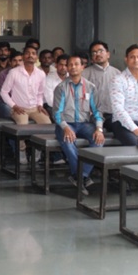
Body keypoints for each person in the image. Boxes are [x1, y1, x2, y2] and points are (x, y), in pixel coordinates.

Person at [53, 55, 105, 195]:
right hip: (65, 123)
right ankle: (83, 177)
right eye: (70, 64)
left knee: (99, 141)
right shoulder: (61, 88)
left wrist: (99, 129)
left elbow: (97, 111)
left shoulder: (90, 87)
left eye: (76, 64)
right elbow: (57, 113)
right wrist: (65, 128)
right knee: (68, 141)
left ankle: (79, 176)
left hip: (84, 124)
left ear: (83, 67)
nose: (73, 67)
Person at [0, 46, 51, 161]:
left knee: (47, 123)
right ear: (23, 56)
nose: (30, 55)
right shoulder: (14, 72)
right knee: (23, 125)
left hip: (35, 108)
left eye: (33, 53)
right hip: (19, 108)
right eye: (27, 53)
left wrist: (40, 105)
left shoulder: (41, 74)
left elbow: (40, 93)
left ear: (36, 57)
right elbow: (4, 92)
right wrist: (14, 106)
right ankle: (21, 151)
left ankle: (37, 150)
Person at [82, 41, 121, 131]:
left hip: (112, 115)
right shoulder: (84, 74)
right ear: (91, 57)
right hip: (92, 115)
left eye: (100, 51)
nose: (98, 54)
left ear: (108, 54)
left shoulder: (117, 74)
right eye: (94, 52)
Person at [44, 54, 69, 118]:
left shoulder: (71, 78)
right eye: (61, 65)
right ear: (56, 65)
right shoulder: (48, 79)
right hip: (53, 107)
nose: (63, 67)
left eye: (66, 65)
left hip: (69, 108)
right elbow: (50, 100)